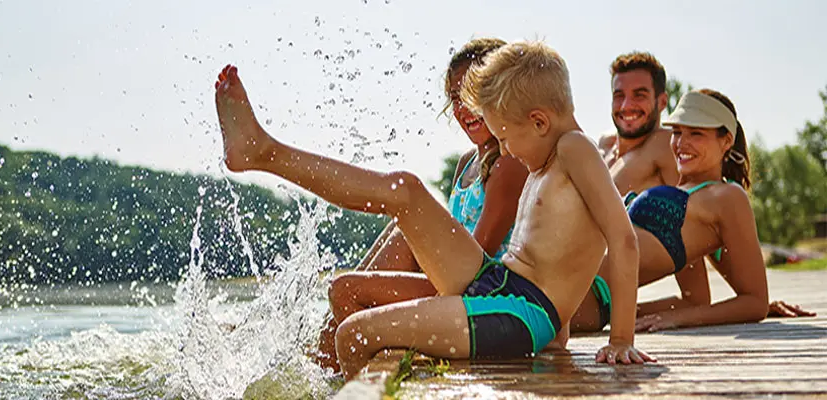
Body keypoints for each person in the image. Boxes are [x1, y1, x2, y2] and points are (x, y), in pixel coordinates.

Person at [213, 40, 652, 380]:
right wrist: (559, 335)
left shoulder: (575, 149)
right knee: (405, 189)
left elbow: (621, 237)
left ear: (539, 121)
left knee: (354, 334)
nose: (503, 149)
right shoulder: (548, 157)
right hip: (498, 283)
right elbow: (558, 249)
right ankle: (263, 152)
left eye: (506, 137)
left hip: (519, 310)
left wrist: (621, 339)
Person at [314, 38, 529, 373]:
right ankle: (318, 370)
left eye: (474, 93)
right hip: (455, 284)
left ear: (501, 92)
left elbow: (478, 263)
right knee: (397, 234)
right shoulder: (466, 164)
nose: (463, 108)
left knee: (346, 289)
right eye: (455, 98)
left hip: (482, 296)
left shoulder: (508, 164)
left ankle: (330, 377)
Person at [580, 89, 770, 333]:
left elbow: (755, 302)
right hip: (574, 286)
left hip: (582, 295)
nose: (681, 143)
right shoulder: (687, 195)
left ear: (726, 140)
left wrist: (678, 320)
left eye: (696, 133)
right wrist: (630, 313)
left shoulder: (727, 197)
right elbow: (695, 299)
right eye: (678, 132)